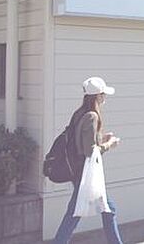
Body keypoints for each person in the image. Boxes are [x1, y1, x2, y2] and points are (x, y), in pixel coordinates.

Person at [53, 77, 123, 244]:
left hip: (79, 171)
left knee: (107, 209)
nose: (105, 97)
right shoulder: (92, 116)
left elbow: (81, 141)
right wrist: (109, 144)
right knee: (77, 213)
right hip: (85, 173)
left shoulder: (80, 113)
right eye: (103, 94)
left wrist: (102, 138)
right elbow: (90, 151)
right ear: (97, 96)